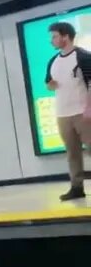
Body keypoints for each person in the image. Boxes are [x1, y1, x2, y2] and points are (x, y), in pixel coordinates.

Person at [45, 21, 91, 201]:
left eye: (55, 36)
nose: (52, 40)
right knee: (72, 152)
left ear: (65, 36)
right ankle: (77, 187)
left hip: (83, 112)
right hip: (63, 114)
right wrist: (50, 85)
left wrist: (89, 107)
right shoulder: (53, 61)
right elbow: (48, 83)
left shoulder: (83, 57)